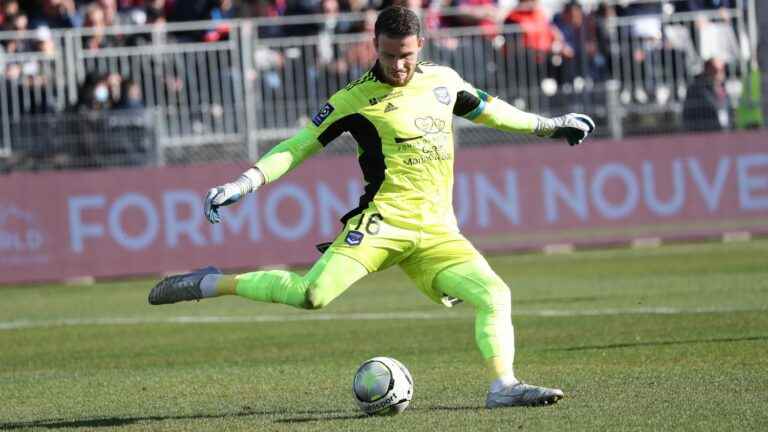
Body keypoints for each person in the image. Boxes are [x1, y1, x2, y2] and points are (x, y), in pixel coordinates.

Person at [148, 6, 595, 409]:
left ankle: (503, 386)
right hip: (381, 224)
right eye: (388, 56)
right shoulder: (353, 99)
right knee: (312, 296)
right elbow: (298, 146)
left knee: (496, 294)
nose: (398, 66)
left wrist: (549, 126)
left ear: (420, 45)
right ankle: (211, 283)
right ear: (374, 47)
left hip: (439, 232)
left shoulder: (443, 81)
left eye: (405, 55)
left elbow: (491, 111)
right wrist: (245, 182)